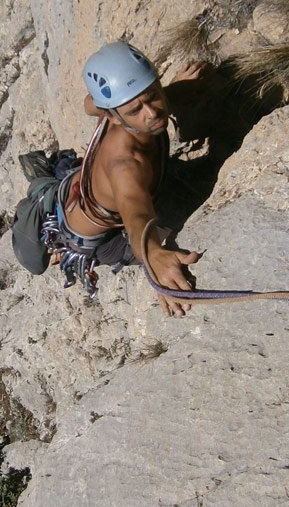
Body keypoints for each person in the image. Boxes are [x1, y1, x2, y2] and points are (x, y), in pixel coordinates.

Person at [11, 41, 203, 316]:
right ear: (112, 117)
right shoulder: (126, 165)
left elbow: (88, 104)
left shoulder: (111, 105)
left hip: (74, 191)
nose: (152, 113)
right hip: (97, 241)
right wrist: (153, 256)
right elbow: (136, 215)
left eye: (152, 95)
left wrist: (173, 90)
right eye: (135, 110)